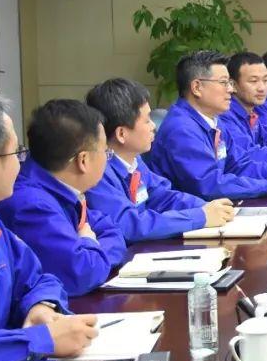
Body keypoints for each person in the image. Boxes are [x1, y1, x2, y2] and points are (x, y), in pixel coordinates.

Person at [0, 92, 98, 361]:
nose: (22, 163)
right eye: (17, 153)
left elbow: (38, 278)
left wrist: (41, 306)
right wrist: (40, 340)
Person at [0, 100, 127, 296]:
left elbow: (111, 229)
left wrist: (91, 250)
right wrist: (90, 243)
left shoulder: (61, 189)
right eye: (106, 152)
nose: (107, 158)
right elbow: (82, 272)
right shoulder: (31, 206)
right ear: (83, 160)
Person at [85, 78, 236, 242]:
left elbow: (162, 196)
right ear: (121, 134)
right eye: (147, 120)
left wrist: (206, 207)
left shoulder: (133, 160)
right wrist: (200, 216)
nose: (153, 126)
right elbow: (131, 225)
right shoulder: (98, 173)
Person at [147, 50, 267, 200]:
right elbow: (210, 185)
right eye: (224, 82)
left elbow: (238, 164)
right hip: (195, 213)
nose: (230, 89)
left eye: (229, 82)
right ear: (197, 87)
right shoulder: (182, 129)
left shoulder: (213, 120)